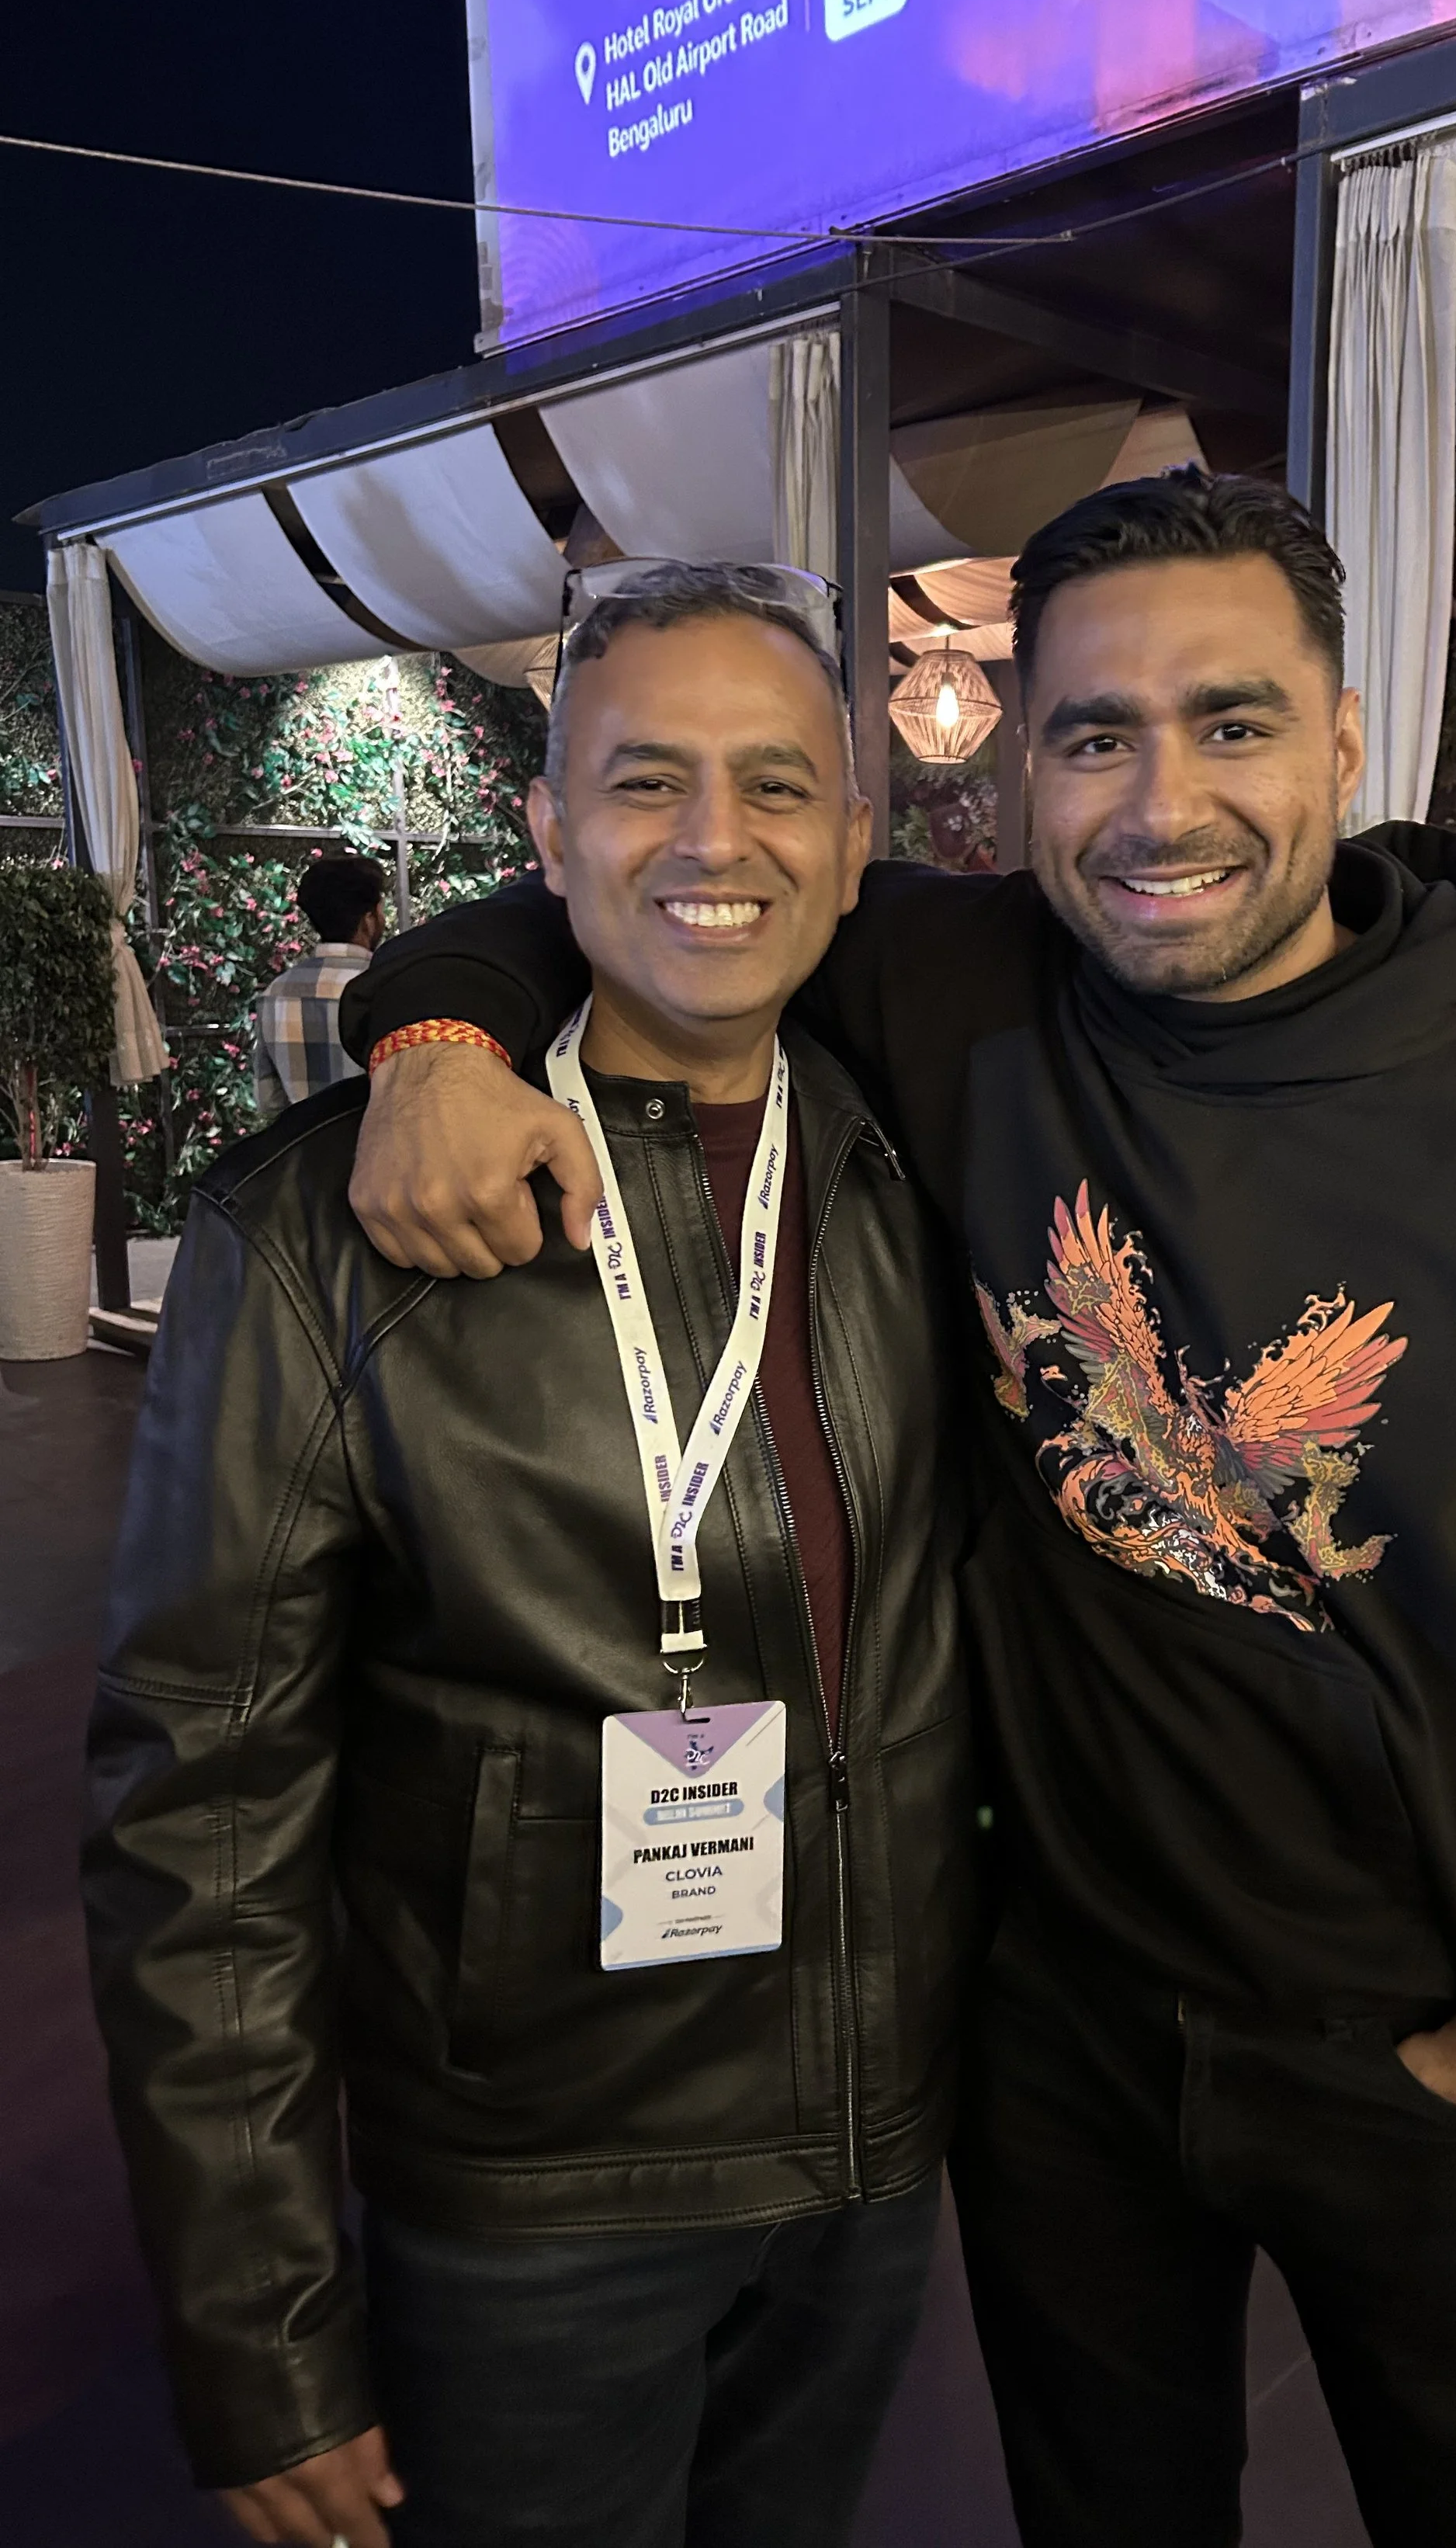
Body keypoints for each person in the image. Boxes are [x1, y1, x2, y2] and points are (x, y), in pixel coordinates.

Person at [336, 474, 1456, 2548]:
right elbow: (639, 879)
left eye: (1229, 721)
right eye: (1093, 733)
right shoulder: (960, 990)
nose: (1155, 802)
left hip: (1425, 2030)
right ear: (1021, 762)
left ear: (1343, 741)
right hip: (1053, 2037)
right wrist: (424, 1032)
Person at [83, 566, 976, 2548]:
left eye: (774, 784)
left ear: (852, 837)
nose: (716, 840)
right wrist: (260, 2327)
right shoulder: (321, 1232)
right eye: (645, 782)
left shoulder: (925, 1161)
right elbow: (196, 1812)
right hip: (530, 2184)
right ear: (548, 832)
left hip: (868, 2154)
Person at [252, 852, 390, 1116]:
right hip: (382, 1150)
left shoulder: (276, 994)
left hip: (311, 1155)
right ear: (368, 919)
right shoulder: (386, 986)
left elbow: (269, 1102)